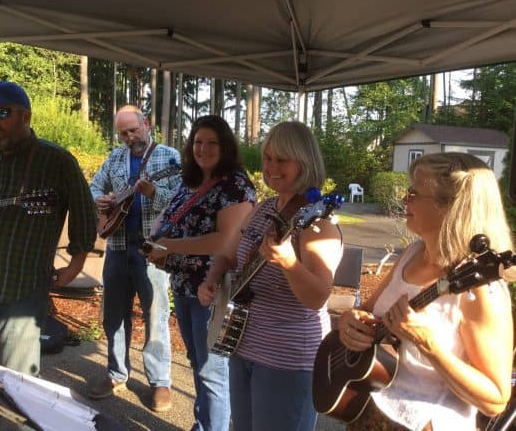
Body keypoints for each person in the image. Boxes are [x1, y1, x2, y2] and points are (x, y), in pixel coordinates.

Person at [0, 81, 97, 430]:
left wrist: (75, 264)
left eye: (1, 113)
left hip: (21, 287)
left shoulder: (56, 160)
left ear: (25, 116)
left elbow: (84, 212)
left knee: (19, 382)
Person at [337, 152, 514, 431]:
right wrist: (350, 320)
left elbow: (495, 399)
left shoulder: (483, 290)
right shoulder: (412, 253)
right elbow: (367, 312)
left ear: (450, 208)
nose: (405, 200)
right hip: (369, 410)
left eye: (414, 193)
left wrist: (427, 342)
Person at [198, 121, 343, 431]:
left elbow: (318, 295)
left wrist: (290, 264)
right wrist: (212, 279)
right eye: (267, 158)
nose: (271, 167)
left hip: (288, 359)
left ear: (303, 162)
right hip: (243, 345)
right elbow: (227, 255)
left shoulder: (317, 225)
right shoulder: (264, 208)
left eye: (281, 159)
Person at [145, 115, 257, 430]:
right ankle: (204, 423)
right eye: (197, 142)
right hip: (183, 285)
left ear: (226, 147)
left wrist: (171, 246)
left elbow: (226, 241)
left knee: (213, 371)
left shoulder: (236, 185)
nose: (203, 149)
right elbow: (167, 217)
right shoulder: (190, 180)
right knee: (198, 364)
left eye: (211, 142)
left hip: (215, 289)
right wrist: (158, 245)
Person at [88, 104, 181, 412]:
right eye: (123, 133)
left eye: (133, 130)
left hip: (151, 250)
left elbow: (182, 206)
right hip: (116, 245)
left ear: (147, 123)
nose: (128, 137)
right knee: (113, 314)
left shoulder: (170, 157)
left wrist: (154, 193)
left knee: (155, 315)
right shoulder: (115, 157)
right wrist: (100, 200)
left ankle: (159, 381)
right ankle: (116, 374)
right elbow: (93, 188)